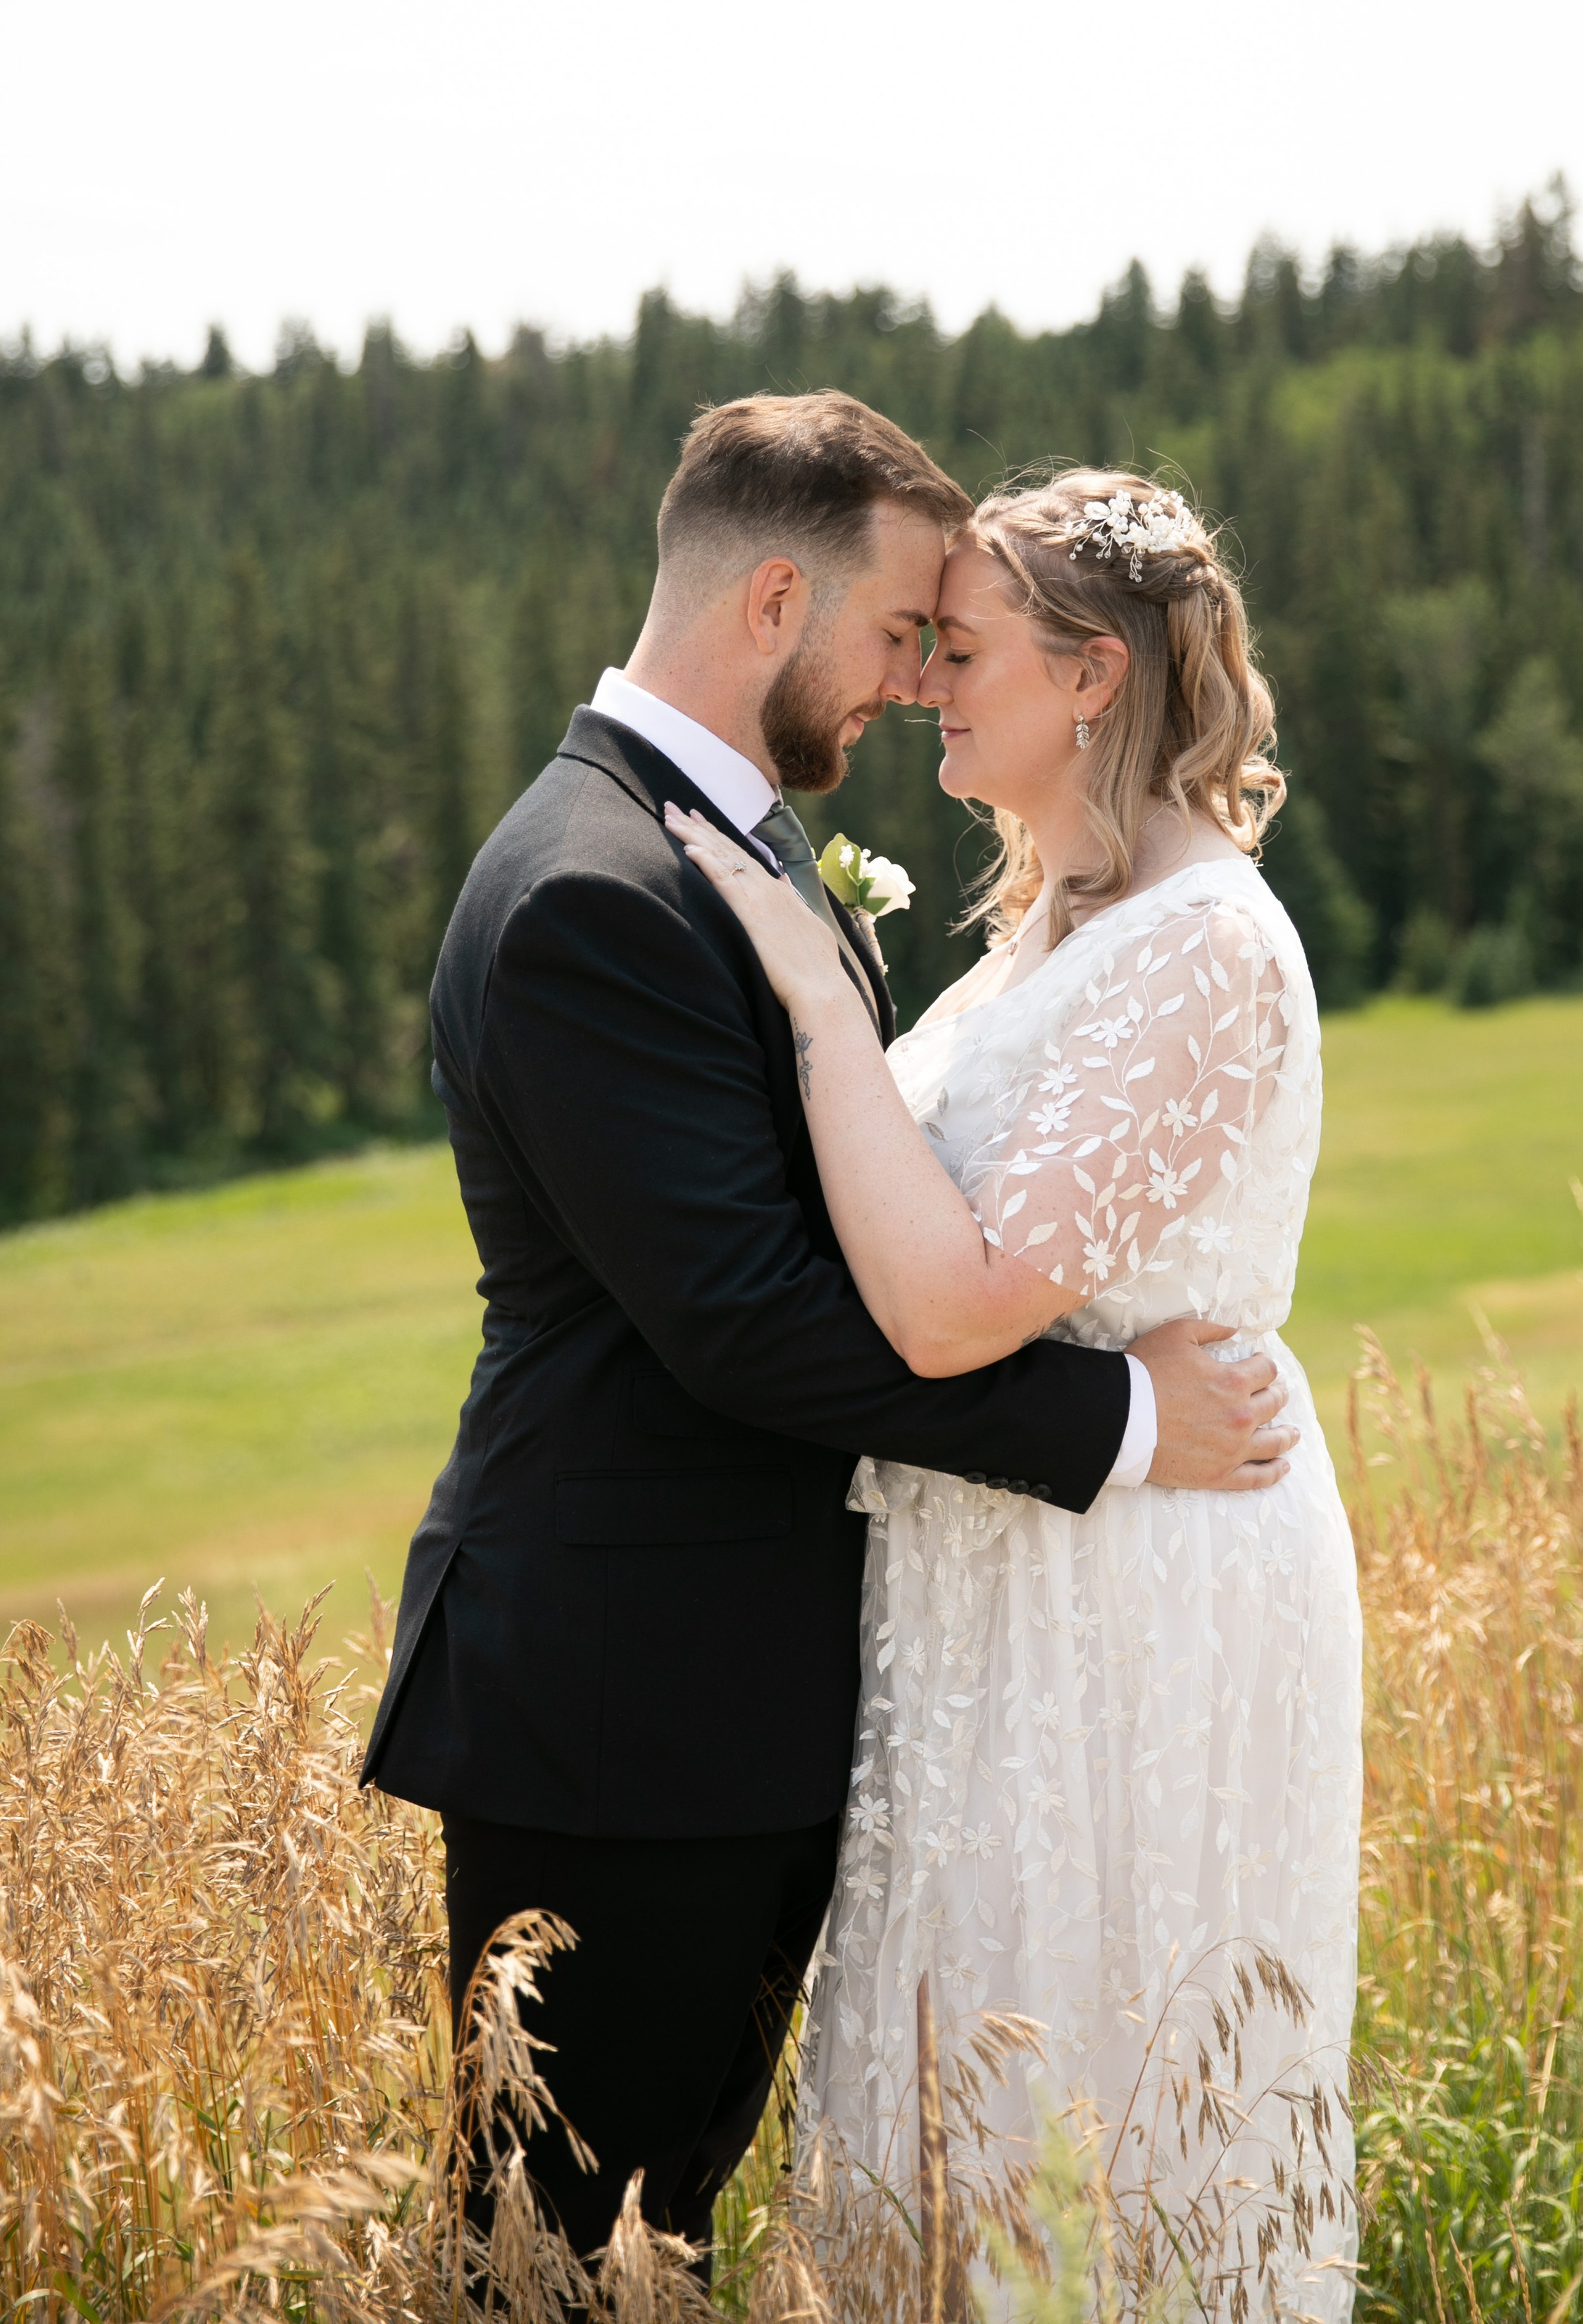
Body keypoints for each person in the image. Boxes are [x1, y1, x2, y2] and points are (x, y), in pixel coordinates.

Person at [361, 396, 1298, 2269]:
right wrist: (1116, 1424)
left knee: (663, 2238)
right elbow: (750, 1328)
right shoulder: (591, 888)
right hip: (622, 1703)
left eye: (951, 644)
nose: (910, 680)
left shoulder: (720, 846)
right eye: (896, 632)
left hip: (740, 1694)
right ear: (776, 600)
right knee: (557, 2263)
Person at [670, 468, 1362, 2318]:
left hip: (1138, 1587)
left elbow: (959, 1306)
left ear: (1093, 674)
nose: (921, 685)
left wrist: (821, 1006)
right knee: (962, 2105)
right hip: (998, 1577)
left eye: (962, 650)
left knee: (1098, 2095)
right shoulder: (1051, 921)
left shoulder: (1205, 945)